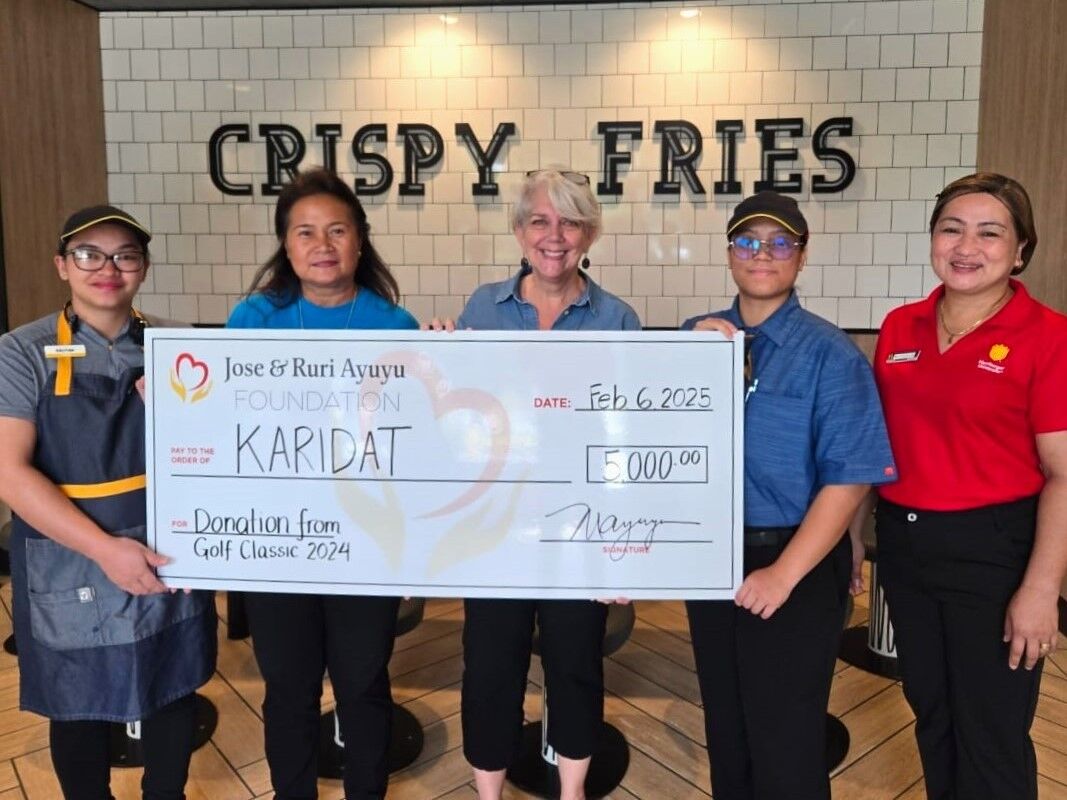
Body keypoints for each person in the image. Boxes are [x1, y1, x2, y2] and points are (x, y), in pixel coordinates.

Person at [431, 168, 640, 800]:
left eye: (571, 221)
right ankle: (488, 793)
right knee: (490, 668)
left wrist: (620, 548)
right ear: (520, 231)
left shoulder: (616, 318)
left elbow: (626, 439)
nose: (555, 236)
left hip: (578, 529)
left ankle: (571, 792)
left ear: (590, 233)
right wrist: (438, 365)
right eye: (541, 221)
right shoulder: (480, 308)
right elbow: (458, 428)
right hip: (494, 531)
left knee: (576, 664)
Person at [682, 191, 896, 800]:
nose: (763, 255)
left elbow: (850, 475)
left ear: (801, 259)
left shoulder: (830, 354)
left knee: (787, 739)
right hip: (712, 562)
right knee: (727, 728)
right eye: (749, 242)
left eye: (780, 243)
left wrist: (783, 575)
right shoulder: (696, 342)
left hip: (795, 563)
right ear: (730, 254)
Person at [0, 205, 217, 799]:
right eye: (89, 255)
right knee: (79, 704)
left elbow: (218, 451)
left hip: (165, 547)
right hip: (70, 558)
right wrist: (104, 549)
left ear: (142, 268)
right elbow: (9, 475)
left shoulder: (178, 346)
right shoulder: (21, 352)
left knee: (172, 688)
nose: (108, 268)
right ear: (62, 267)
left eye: (124, 255)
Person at [873, 172, 1067, 800]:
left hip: (996, 552)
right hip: (905, 549)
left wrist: (1042, 589)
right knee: (932, 713)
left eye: (990, 233)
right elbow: (874, 449)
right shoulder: (900, 327)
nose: (966, 246)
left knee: (992, 730)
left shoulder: (1049, 336)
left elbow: (1065, 474)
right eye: (951, 229)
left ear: (1020, 252)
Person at [226, 167, 418, 800]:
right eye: (304, 232)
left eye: (337, 229)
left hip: (367, 542)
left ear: (360, 241)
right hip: (279, 540)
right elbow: (224, 419)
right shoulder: (253, 318)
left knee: (363, 681)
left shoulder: (396, 326)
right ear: (286, 245)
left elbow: (421, 444)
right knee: (287, 686)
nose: (322, 244)